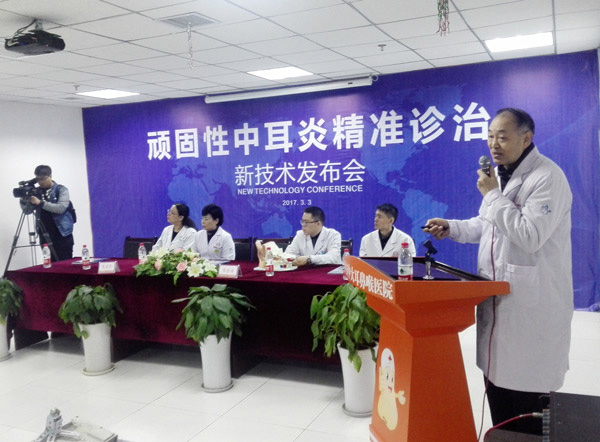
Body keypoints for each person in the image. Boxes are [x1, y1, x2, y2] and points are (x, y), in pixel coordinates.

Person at [424, 108, 573, 435]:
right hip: (500, 306)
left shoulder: (547, 178)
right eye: (490, 136)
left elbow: (530, 235)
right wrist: (452, 227)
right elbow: (487, 224)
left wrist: (492, 194)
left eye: (502, 137)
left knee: (529, 412)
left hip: (531, 309)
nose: (494, 144)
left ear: (526, 138)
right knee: (500, 405)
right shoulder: (502, 176)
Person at [20, 165, 75, 261]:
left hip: (61, 233)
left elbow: (61, 208)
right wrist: (23, 199)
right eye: (38, 179)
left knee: (64, 263)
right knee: (49, 263)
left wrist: (40, 203)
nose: (40, 182)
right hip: (44, 232)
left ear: (50, 176)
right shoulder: (37, 191)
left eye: (43, 179)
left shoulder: (61, 190)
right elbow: (27, 211)